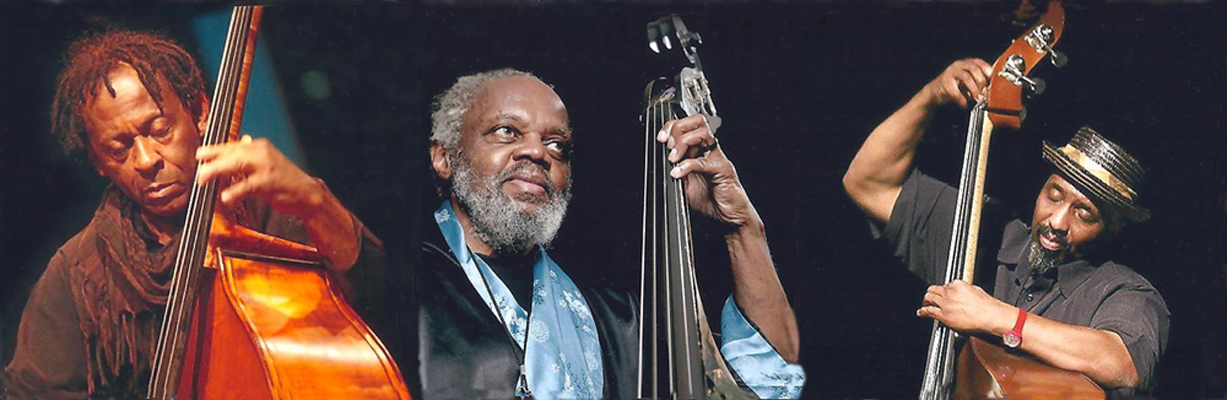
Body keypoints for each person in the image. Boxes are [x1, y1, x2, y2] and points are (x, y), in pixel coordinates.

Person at [0, 30, 381, 399]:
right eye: (119, 149)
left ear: (200, 111)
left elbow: (381, 297)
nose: (145, 160)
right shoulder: (79, 274)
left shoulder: (274, 210)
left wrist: (315, 201)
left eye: (160, 130)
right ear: (98, 162)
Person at [386, 68, 805, 399]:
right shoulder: (391, 284)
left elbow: (766, 381)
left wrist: (742, 226)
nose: (537, 152)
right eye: (507, 132)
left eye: (557, 145)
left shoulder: (622, 320)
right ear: (444, 157)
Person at [842, 59, 1169, 395]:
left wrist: (997, 317)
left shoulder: (1125, 292)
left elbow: (1120, 363)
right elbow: (867, 183)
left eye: (1084, 214)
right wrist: (932, 94)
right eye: (1054, 196)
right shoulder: (984, 232)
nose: (1057, 222)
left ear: (1113, 228)